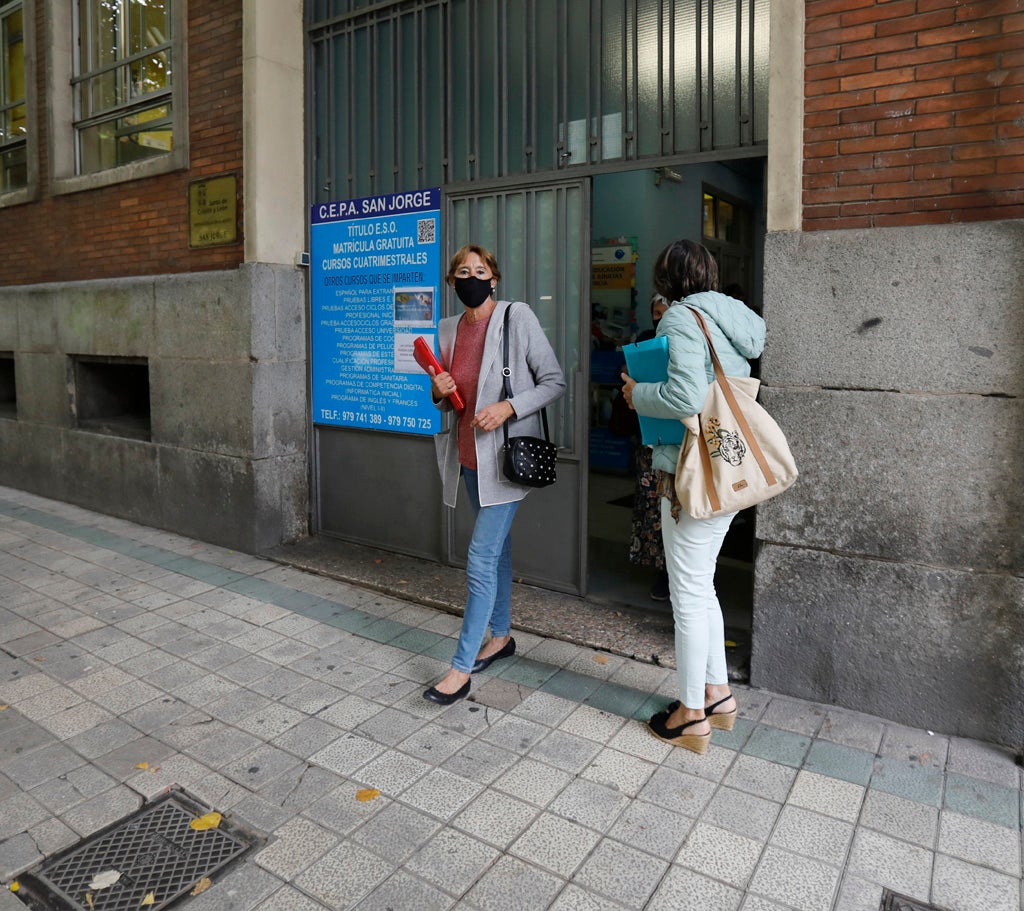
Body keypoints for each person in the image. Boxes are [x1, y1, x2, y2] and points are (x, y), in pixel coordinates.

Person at [620, 240, 765, 753]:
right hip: (725, 470)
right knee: (702, 587)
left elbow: (683, 396)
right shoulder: (734, 320)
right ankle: (719, 694)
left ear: (666, 281)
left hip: (691, 473)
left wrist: (635, 392)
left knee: (686, 596)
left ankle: (690, 713)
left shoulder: (681, 320)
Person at [425, 244, 566, 705]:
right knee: (498, 551)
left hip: (505, 462)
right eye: (462, 271)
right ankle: (501, 636)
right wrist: (438, 389)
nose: (471, 277)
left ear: (494, 278)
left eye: (479, 270)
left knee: (481, 559)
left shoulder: (515, 317)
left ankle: (460, 668)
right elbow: (448, 398)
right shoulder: (447, 329)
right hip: (468, 460)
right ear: (451, 282)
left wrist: (508, 407)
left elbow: (554, 381)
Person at [628, 294, 670, 600]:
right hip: (646, 437)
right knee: (650, 506)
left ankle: (671, 573)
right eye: (655, 312)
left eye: (664, 312)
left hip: (674, 438)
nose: (659, 318)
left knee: (672, 507)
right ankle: (657, 569)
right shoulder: (643, 340)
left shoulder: (687, 342)